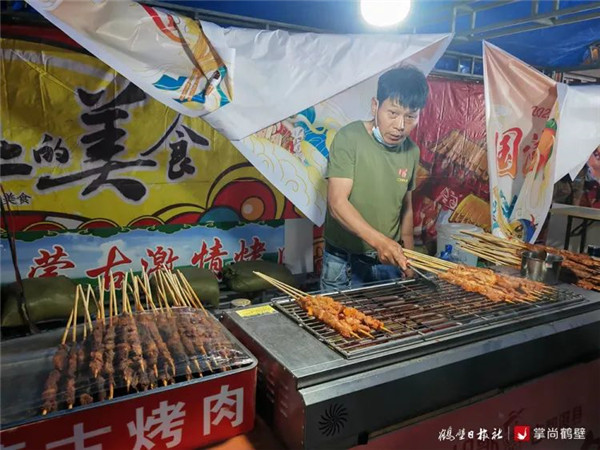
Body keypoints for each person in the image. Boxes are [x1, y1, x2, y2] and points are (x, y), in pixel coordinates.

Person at [320, 65, 428, 292]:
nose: (400, 126)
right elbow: (337, 203)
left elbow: (406, 208)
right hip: (343, 260)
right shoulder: (350, 138)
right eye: (393, 113)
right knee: (334, 314)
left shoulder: (412, 151)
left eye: (410, 116)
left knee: (386, 313)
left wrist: (408, 257)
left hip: (386, 261)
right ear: (375, 106)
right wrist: (380, 242)